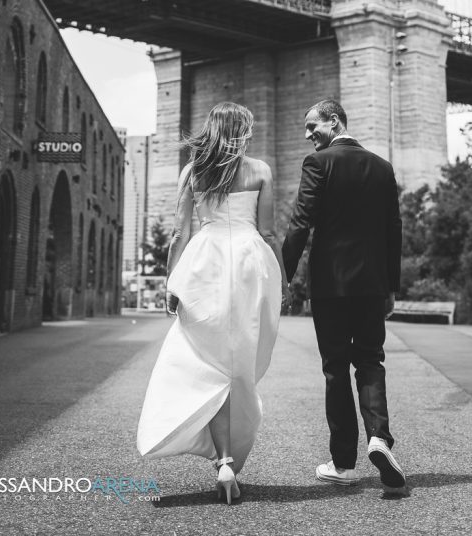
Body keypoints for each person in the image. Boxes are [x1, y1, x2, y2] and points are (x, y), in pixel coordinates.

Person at [137, 102, 290, 504]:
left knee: (210, 363)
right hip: (249, 265)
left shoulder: (192, 171)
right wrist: (285, 281)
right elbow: (270, 232)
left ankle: (223, 458)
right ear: (241, 130)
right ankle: (227, 456)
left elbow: (178, 233)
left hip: (204, 265)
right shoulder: (260, 170)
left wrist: (172, 281)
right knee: (239, 365)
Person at [281, 99, 406, 492]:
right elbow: (393, 231)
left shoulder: (318, 164)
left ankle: (344, 464)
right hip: (372, 284)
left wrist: (282, 275)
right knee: (370, 361)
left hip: (331, 285)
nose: (307, 134)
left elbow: (301, 222)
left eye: (312, 125)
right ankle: (378, 438)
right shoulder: (382, 167)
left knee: (335, 368)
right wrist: (390, 286)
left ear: (334, 122)